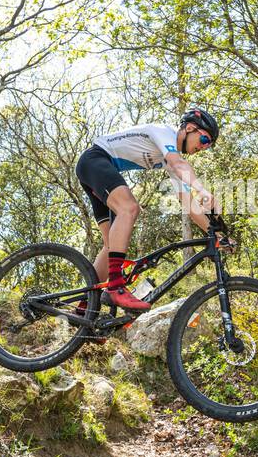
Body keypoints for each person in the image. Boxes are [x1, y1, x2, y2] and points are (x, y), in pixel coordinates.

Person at [74, 108, 220, 311]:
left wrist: (216, 234)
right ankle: (115, 287)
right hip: (95, 160)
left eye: (209, 146)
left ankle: (84, 311)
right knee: (129, 208)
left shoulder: (170, 159)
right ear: (189, 128)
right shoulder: (164, 133)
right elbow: (179, 164)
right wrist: (202, 189)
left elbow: (187, 202)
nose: (204, 147)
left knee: (111, 247)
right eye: (204, 140)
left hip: (97, 168)